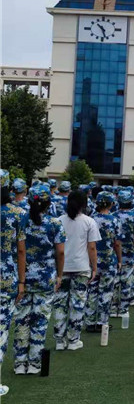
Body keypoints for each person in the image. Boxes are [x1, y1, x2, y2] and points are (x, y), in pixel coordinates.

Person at [13, 184, 65, 374]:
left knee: (22, 320)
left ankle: (19, 363)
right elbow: (60, 252)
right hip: (46, 278)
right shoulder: (55, 223)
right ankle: (34, 364)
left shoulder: (20, 220)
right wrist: (59, 275)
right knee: (40, 321)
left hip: (23, 278)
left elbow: (18, 250)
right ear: (48, 203)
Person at [53, 190, 101, 350]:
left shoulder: (58, 221)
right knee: (78, 304)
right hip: (81, 267)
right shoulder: (89, 222)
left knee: (60, 304)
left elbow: (56, 248)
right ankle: (73, 340)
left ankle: (59, 340)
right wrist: (94, 267)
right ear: (84, 204)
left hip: (62, 268)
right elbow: (92, 248)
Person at [0, 169, 27, 395]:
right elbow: (20, 251)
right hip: (6, 277)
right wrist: (21, 282)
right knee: (1, 329)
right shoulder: (18, 213)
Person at [84, 192, 121, 333]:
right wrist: (119, 259)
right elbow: (117, 243)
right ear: (111, 204)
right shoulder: (114, 220)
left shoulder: (90, 219)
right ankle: (102, 322)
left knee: (91, 291)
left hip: (91, 260)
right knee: (106, 292)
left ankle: (89, 321)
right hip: (109, 260)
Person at [112, 190, 134, 317]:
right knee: (127, 282)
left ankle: (113, 308)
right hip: (129, 253)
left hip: (114, 253)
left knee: (114, 281)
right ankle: (123, 309)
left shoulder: (113, 216)